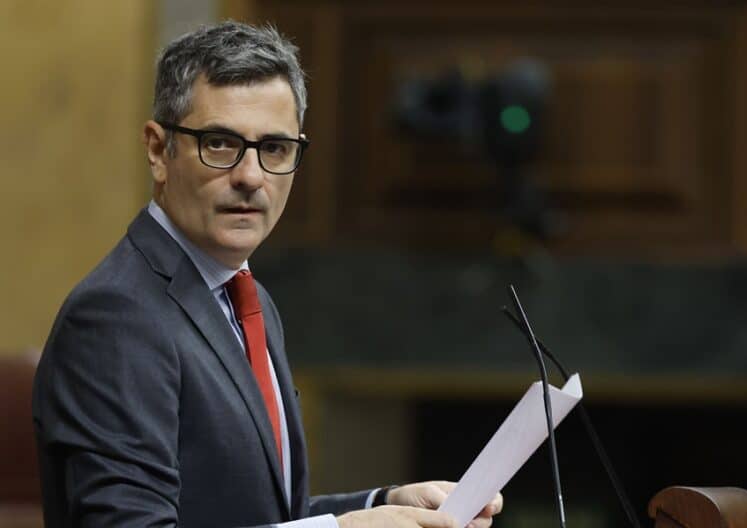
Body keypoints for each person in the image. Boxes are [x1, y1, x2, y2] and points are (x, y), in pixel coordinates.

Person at [32, 21, 502, 528]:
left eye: (275, 149)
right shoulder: (115, 317)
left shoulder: (244, 296)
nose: (251, 177)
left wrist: (381, 505)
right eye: (219, 143)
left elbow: (265, 516)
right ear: (157, 150)